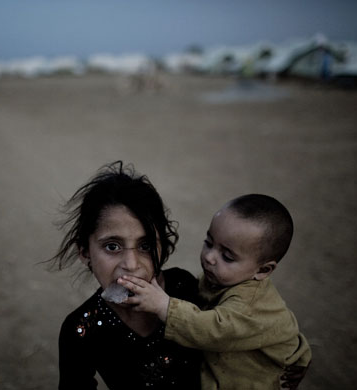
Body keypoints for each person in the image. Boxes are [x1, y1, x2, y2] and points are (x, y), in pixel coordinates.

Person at [118, 194, 312, 389]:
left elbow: (214, 330)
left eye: (227, 257)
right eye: (209, 243)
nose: (210, 257)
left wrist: (164, 306)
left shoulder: (249, 303)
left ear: (262, 270)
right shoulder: (221, 279)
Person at [49, 161, 202, 390]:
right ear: (85, 252)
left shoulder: (185, 288)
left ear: (164, 246)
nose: (131, 265)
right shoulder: (82, 329)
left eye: (146, 245)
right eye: (112, 246)